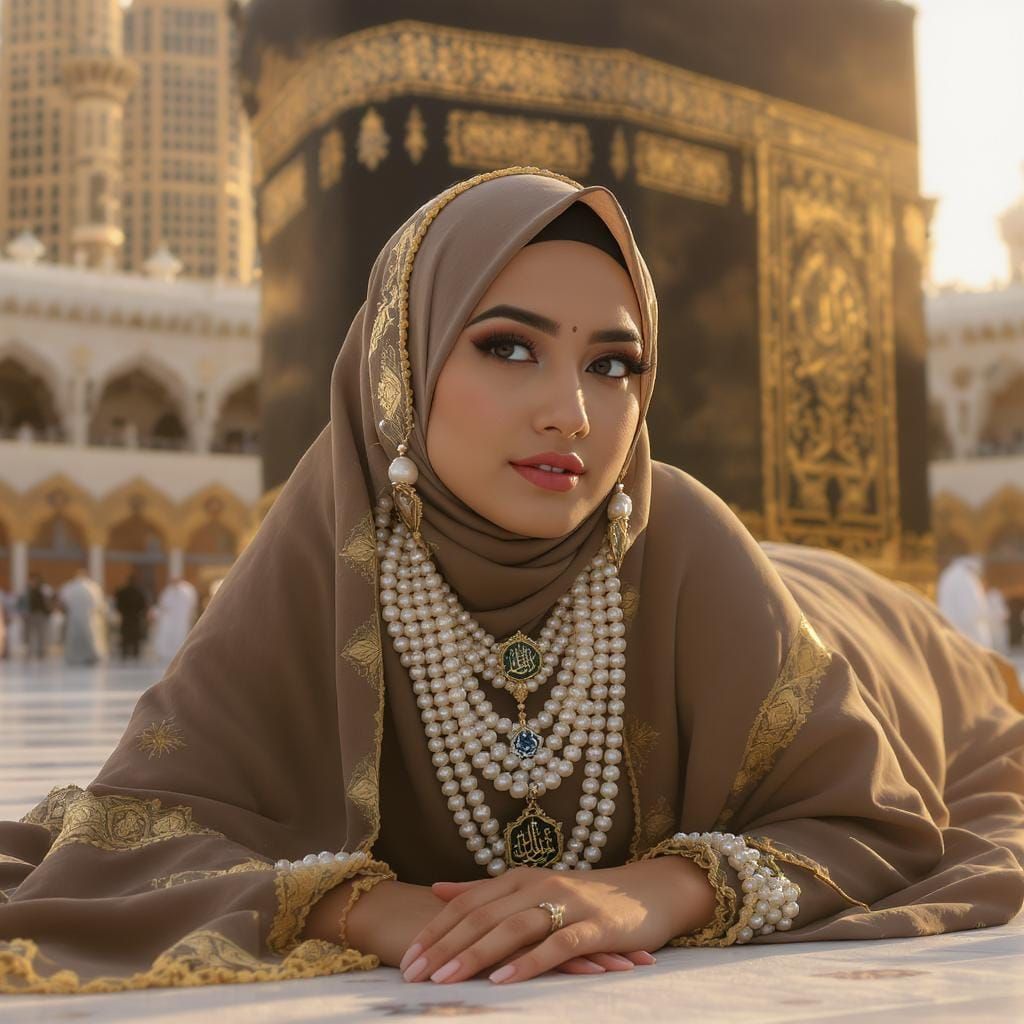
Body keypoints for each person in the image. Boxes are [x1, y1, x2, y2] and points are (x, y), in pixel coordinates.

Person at [0, 168, 1021, 996]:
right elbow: (136, 833)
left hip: (859, 629)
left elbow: (869, 821)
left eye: (612, 364)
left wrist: (654, 892)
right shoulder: (319, 566)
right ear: (402, 362)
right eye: (507, 347)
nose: (570, 412)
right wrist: (361, 908)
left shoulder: (681, 539)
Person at [936, 555, 994, 648]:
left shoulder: (947, 574)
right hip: (968, 633)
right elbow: (973, 609)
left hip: (950, 630)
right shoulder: (966, 577)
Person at [57, 569, 108, 667]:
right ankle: (91, 656)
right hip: (89, 617)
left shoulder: (69, 586)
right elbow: (98, 604)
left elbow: (63, 602)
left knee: (75, 637)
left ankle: (74, 657)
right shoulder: (93, 587)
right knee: (90, 636)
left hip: (74, 618)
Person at [151, 576, 198, 662]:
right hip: (169, 620)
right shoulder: (168, 590)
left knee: (180, 637)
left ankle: (178, 655)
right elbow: (163, 605)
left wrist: (190, 616)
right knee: (166, 637)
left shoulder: (188, 590)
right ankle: (166, 655)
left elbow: (192, 605)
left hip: (182, 619)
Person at [113, 573, 149, 661]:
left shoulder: (122, 591)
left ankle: (124, 653)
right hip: (136, 617)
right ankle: (136, 653)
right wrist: (141, 614)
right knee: (135, 636)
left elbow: (118, 604)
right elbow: (143, 605)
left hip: (126, 617)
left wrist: (122, 612)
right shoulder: (140, 591)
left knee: (125, 635)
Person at [21, 575, 54, 662]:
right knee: (29, 634)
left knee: (41, 633)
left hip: (40, 614)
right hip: (30, 615)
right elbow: (22, 602)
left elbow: (49, 600)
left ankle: (41, 651)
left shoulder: (43, 589)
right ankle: (29, 651)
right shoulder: (27, 591)